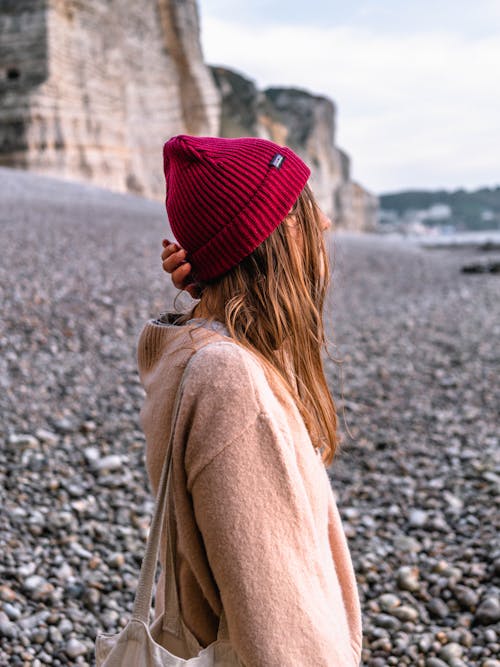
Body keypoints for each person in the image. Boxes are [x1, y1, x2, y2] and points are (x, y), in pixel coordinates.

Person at [137, 134, 362, 666]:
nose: (325, 223)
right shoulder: (229, 383)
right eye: (305, 207)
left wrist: (214, 290)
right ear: (278, 231)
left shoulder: (206, 356)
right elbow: (281, 630)